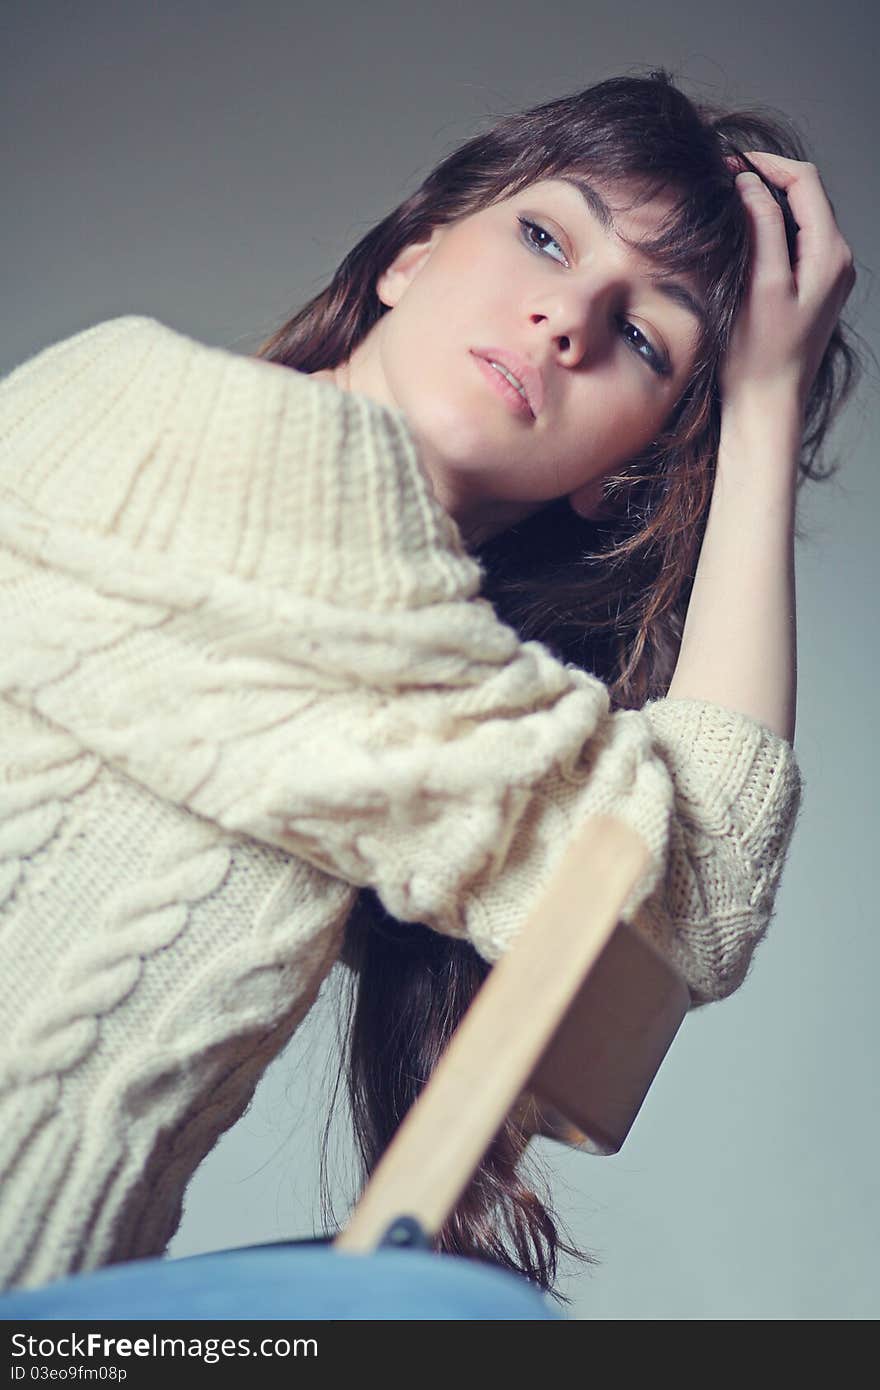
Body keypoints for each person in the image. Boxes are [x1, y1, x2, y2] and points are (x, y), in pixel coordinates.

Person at [0, 69, 862, 1314]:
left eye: (638, 338)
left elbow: (676, 916)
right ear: (409, 253)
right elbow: (706, 887)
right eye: (543, 234)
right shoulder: (167, 427)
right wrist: (763, 402)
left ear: (617, 477)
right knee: (460, 1317)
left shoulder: (419, 664)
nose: (567, 314)